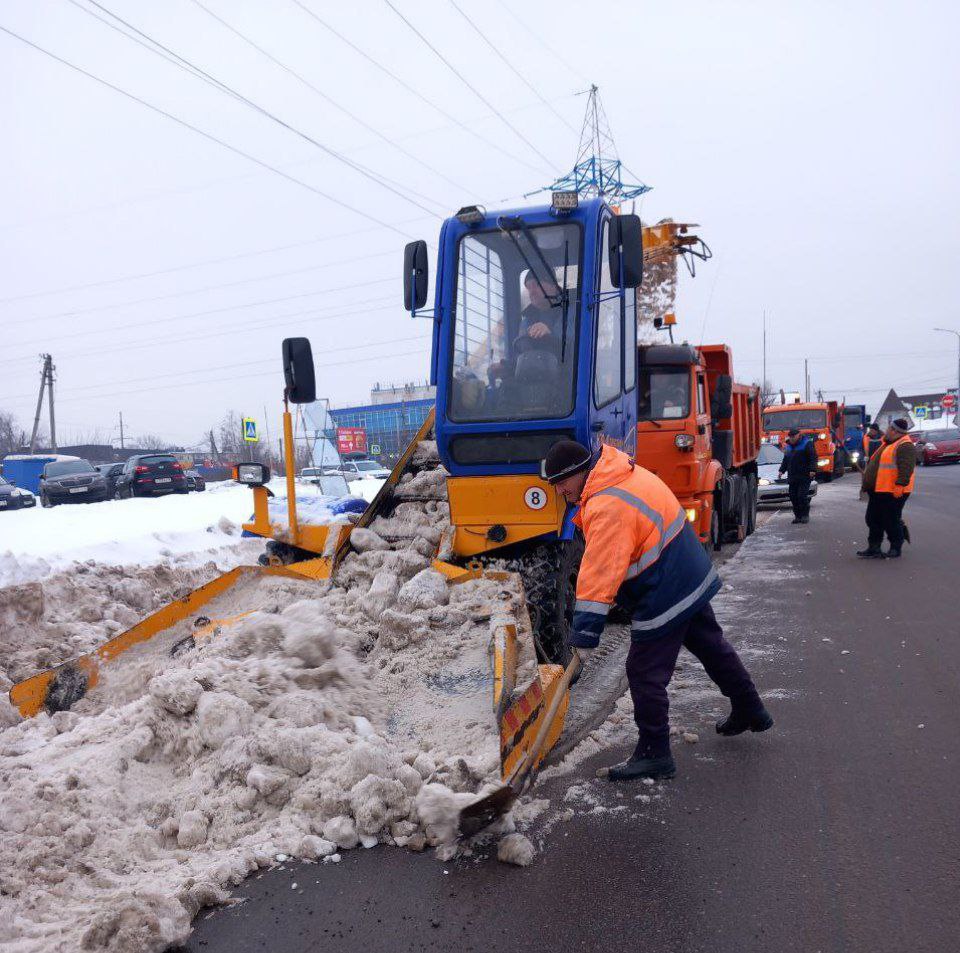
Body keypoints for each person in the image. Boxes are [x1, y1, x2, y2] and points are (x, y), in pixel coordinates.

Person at [541, 439, 773, 782]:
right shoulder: (620, 473)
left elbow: (599, 573)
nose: (560, 491)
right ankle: (751, 708)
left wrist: (585, 632)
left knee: (644, 670)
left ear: (578, 473)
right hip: (687, 570)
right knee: (710, 645)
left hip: (665, 585)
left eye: (561, 483)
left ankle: (655, 753)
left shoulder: (607, 503)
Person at [857, 417, 916, 559]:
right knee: (872, 518)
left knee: (890, 520)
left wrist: (900, 485)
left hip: (893, 490)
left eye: (889, 428)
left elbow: (906, 468)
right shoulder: (888, 443)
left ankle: (896, 547)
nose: (887, 430)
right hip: (880, 489)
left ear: (895, 431)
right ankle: (874, 547)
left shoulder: (905, 445)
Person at [778, 428, 817, 523]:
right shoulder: (788, 446)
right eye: (790, 436)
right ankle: (797, 516)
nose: (791, 438)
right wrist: (781, 470)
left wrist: (812, 469)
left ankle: (804, 515)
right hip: (793, 476)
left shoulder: (807, 444)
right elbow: (786, 460)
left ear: (799, 435)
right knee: (793, 497)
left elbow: (813, 457)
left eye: (793, 436)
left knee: (802, 496)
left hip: (804, 475)